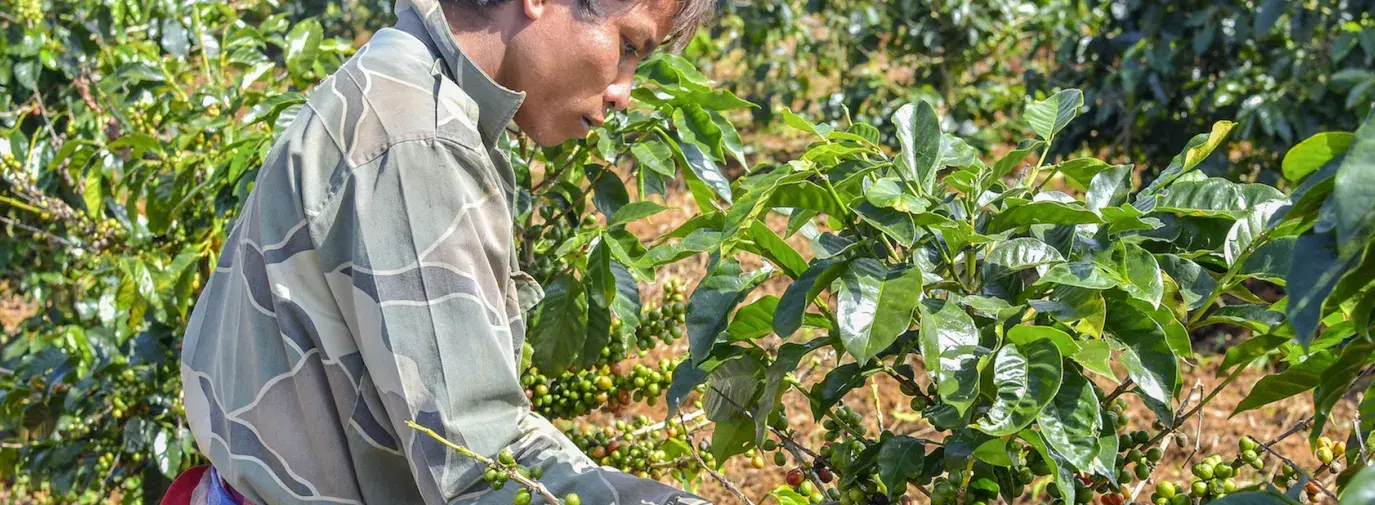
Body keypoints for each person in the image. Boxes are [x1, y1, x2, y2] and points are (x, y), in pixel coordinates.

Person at [171, 0, 715, 503]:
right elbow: (479, 462)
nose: (624, 91)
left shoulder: (408, 75)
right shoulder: (415, 139)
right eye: (627, 47)